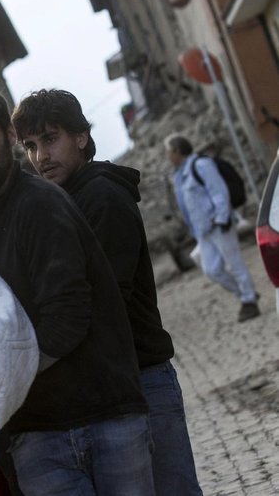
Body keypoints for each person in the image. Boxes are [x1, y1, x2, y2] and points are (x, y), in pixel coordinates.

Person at [0, 87, 153, 495]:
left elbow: (67, 319)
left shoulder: (41, 203)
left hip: (101, 416)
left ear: (8, 136)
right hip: (33, 432)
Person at [13, 88, 201, 495]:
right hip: (114, 383)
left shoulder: (101, 196)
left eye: (50, 139)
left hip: (142, 377)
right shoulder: (65, 201)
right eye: (30, 145)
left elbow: (103, 297)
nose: (40, 156)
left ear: (80, 137)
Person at [165, 133, 261, 322]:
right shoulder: (179, 175)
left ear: (177, 151)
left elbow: (218, 192)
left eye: (168, 152)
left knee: (235, 264)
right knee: (210, 269)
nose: (167, 156)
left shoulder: (201, 165)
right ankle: (245, 293)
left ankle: (249, 299)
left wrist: (222, 217)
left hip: (218, 224)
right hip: (203, 231)